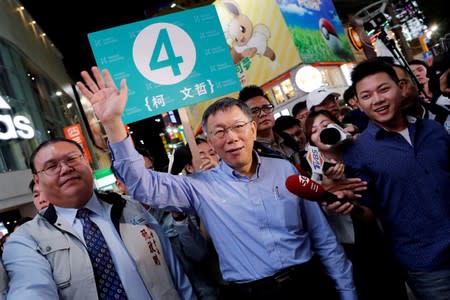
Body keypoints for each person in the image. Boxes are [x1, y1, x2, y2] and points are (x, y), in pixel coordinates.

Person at [77, 67, 357, 300]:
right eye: (219, 132)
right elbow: (141, 185)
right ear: (209, 141)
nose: (231, 137)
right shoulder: (199, 187)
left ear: (252, 129)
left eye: (237, 126)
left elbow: (323, 237)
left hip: (311, 283)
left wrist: (347, 292)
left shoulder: (284, 170)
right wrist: (113, 122)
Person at [3, 138, 195, 299]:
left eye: (72, 159)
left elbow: (174, 272)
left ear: (88, 163)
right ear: (37, 180)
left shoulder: (131, 207)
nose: (65, 168)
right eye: (51, 166)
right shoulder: (27, 240)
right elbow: (31, 290)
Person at [343, 58, 450, 300]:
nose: (378, 100)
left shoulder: (433, 130)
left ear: (399, 89)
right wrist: (351, 205)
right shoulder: (358, 152)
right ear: (358, 103)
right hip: (426, 264)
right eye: (367, 95)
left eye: (384, 89)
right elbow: (369, 213)